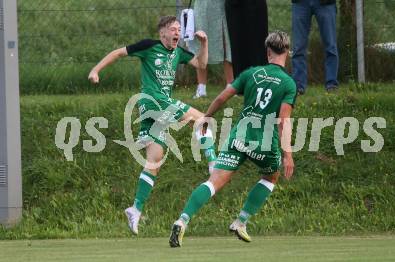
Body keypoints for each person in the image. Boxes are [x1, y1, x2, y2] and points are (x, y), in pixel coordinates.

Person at [88, 16, 217, 235]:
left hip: (153, 110)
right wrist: (95, 70)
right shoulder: (149, 46)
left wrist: (204, 44)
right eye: (173, 29)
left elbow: (201, 64)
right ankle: (214, 163)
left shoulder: (178, 53)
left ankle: (135, 209)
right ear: (162, 33)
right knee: (202, 119)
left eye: (179, 29)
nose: (177, 32)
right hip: (153, 102)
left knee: (155, 160)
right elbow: (118, 52)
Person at [169, 31, 297, 248]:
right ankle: (241, 221)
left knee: (214, 181)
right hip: (264, 141)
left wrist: (207, 118)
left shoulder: (251, 74)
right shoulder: (288, 84)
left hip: (239, 135)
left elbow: (221, 97)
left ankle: (182, 220)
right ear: (286, 52)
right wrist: (288, 155)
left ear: (267, 52)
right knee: (271, 177)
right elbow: (284, 122)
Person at [291, 0, 339, 94]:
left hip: (325, 3)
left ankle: (332, 84)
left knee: (331, 46)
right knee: (298, 47)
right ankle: (298, 86)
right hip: (300, 3)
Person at [189, 0, 234, 98]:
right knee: (200, 40)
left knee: (225, 40)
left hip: (222, 5)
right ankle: (201, 88)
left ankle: (230, 86)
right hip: (202, 6)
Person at [225, 0, 268, 78]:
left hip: (256, 6)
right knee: (238, 47)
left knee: (258, 47)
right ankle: (240, 83)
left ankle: (259, 81)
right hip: (235, 8)